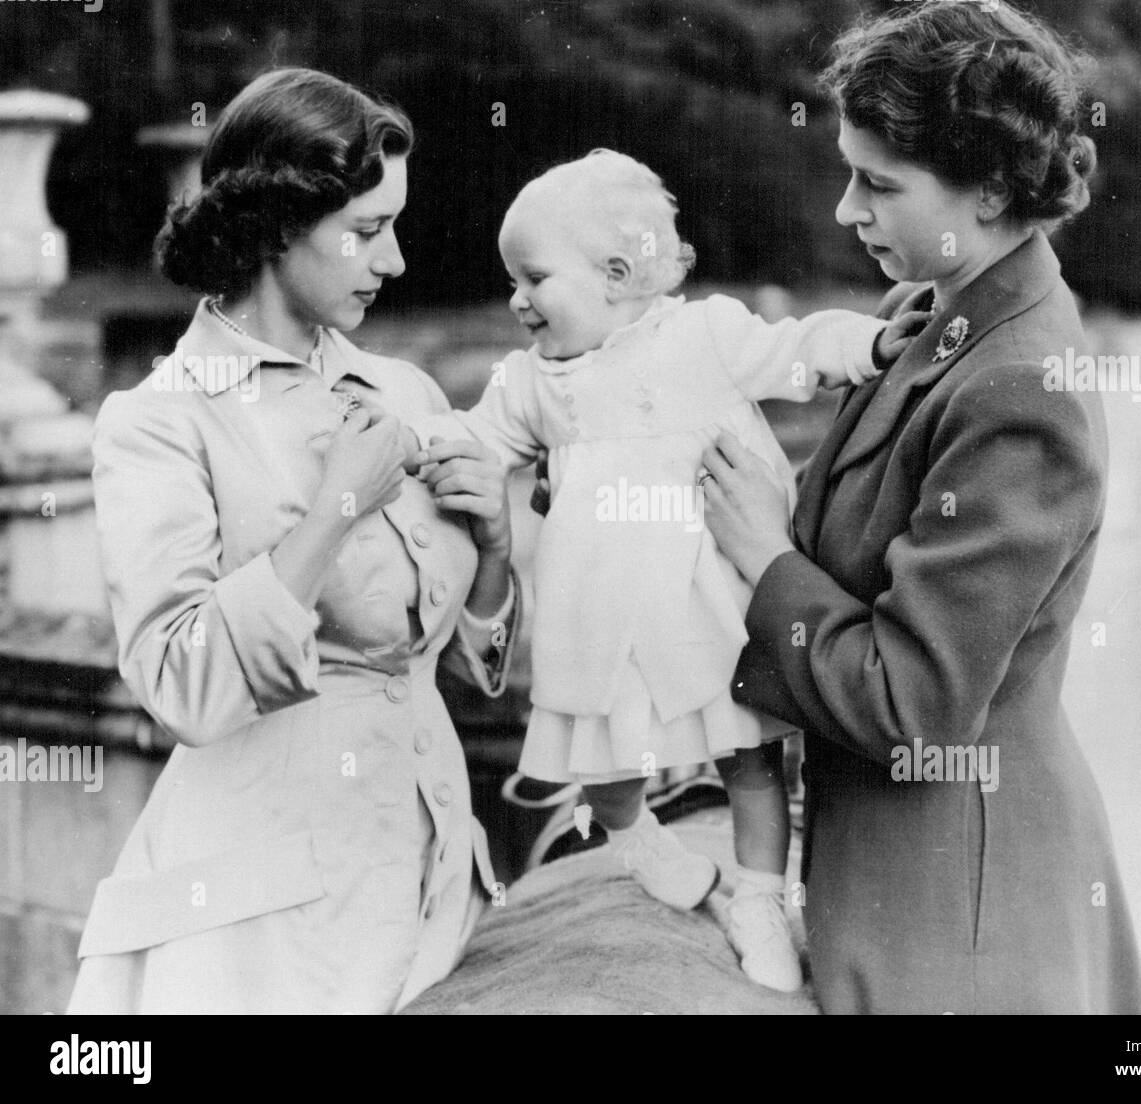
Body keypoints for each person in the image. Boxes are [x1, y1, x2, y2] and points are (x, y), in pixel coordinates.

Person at [700, 0, 1141, 1013]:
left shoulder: (1019, 387)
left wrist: (766, 559)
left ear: (988, 191)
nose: (845, 212)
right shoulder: (947, 319)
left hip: (956, 915)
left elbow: (914, 704)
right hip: (904, 868)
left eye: (878, 183)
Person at [68, 68, 519, 1014]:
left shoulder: (405, 394)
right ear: (277, 224)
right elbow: (179, 684)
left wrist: (497, 553)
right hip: (263, 928)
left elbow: (457, 666)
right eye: (365, 231)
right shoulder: (160, 421)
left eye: (392, 226)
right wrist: (335, 514)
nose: (393, 262)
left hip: (430, 874)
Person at [423, 149, 927, 991]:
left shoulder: (703, 336)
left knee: (751, 756)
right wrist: (428, 446)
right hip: (602, 615)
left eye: (533, 278)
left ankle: (761, 896)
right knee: (601, 760)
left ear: (618, 274)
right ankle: (635, 836)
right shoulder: (532, 384)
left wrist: (869, 344)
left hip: (709, 600)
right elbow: (478, 439)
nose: (516, 300)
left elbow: (796, 351)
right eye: (511, 280)